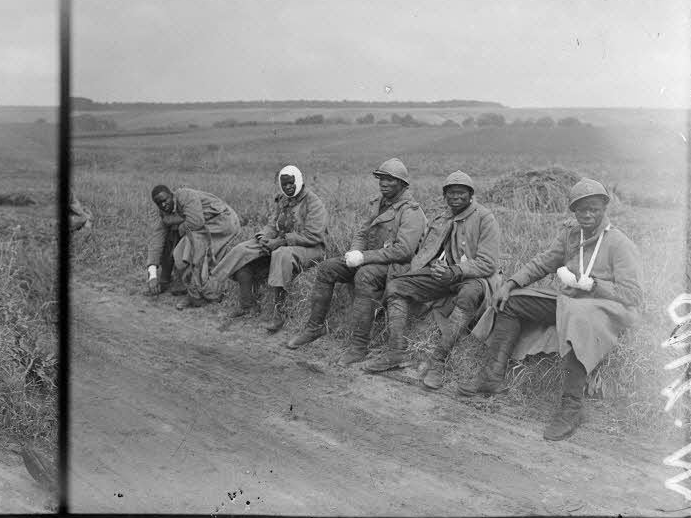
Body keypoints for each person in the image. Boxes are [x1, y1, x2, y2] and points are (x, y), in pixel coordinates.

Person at [458, 178, 641, 441]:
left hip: (604, 309)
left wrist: (592, 284)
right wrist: (510, 283)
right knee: (511, 302)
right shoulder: (570, 235)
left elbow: (632, 295)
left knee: (578, 318)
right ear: (573, 211)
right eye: (582, 209)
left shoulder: (619, 243)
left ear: (604, 209)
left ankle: (572, 406)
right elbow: (542, 262)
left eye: (595, 209)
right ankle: (492, 376)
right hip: (569, 304)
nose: (588, 214)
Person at [358, 171, 502, 385]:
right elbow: (426, 250)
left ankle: (439, 361)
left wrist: (455, 271)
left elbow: (488, 262)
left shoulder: (485, 218)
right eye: (451, 193)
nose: (455, 197)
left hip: (474, 276)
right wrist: (434, 266)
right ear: (445, 196)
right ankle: (396, 351)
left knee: (469, 294)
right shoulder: (441, 218)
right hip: (444, 275)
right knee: (397, 286)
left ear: (471, 195)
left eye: (461, 193)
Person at [285, 158, 426, 364]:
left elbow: (403, 251)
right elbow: (362, 232)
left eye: (390, 180)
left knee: (364, 275)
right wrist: (354, 253)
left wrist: (363, 258)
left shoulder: (411, 211)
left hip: (397, 266)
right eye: (381, 179)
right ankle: (314, 328)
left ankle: (359, 346)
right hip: (373, 258)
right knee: (326, 268)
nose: (383, 183)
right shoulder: (378, 203)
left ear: (402, 184)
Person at [210, 165, 328, 331]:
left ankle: (279, 313)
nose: (288, 187)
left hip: (311, 247)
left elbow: (314, 236)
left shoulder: (313, 203)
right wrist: (263, 238)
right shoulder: (283, 200)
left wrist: (281, 241)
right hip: (284, 243)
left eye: (291, 183)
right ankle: (243, 303)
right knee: (244, 249)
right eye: (284, 184)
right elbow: (273, 224)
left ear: (300, 182)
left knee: (281, 254)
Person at [144, 185, 244, 309]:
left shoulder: (185, 196)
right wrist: (152, 275)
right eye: (159, 203)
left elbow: (196, 222)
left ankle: (197, 295)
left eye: (165, 200)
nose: (164, 205)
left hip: (223, 221)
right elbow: (156, 240)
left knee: (190, 248)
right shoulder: (162, 212)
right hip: (204, 224)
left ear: (172, 195)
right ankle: (165, 281)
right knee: (171, 236)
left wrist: (177, 226)